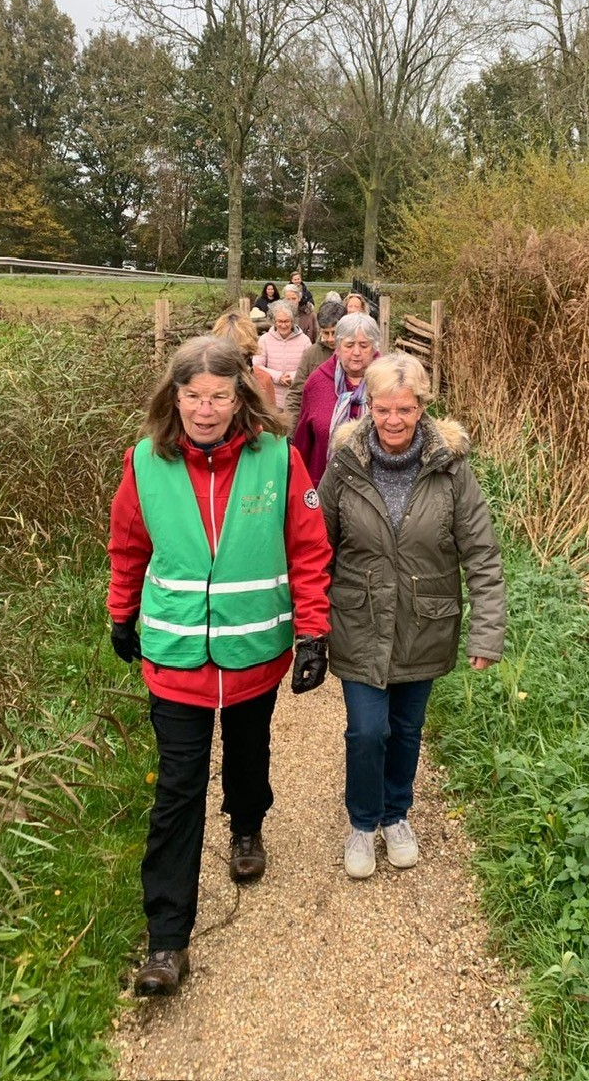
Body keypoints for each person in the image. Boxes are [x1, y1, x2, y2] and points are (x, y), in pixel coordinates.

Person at [107, 337, 330, 997]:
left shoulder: (278, 462)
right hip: (176, 658)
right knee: (176, 790)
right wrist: (122, 614)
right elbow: (128, 545)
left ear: (241, 400)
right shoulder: (145, 462)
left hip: (254, 651)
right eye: (193, 396)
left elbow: (308, 550)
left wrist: (314, 633)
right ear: (173, 399)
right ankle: (168, 942)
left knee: (248, 751)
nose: (206, 410)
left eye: (219, 397)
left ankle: (247, 824)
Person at [318, 353, 505, 880]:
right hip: (358, 619)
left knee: (405, 729)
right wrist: (308, 623)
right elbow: (316, 547)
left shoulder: (452, 469)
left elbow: (482, 552)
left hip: (426, 622)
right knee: (367, 730)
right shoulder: (345, 464)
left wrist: (487, 632)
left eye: (405, 408)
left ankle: (396, 815)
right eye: (382, 409)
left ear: (423, 407)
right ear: (367, 407)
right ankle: (362, 821)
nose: (393, 420)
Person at [292, 313, 379, 486]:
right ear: (337, 347)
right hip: (325, 484)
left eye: (364, 345)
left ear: (375, 348)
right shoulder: (317, 382)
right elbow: (304, 442)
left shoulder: (387, 381)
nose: (356, 352)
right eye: (349, 345)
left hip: (376, 487)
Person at [285, 298, 346, 427]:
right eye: (326, 333)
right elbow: (296, 395)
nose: (330, 339)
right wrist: (290, 431)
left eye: (334, 333)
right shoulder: (311, 355)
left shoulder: (356, 354)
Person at [211, 309, 275, 409]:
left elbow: (271, 421)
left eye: (241, 355)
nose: (235, 362)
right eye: (228, 355)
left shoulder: (263, 380)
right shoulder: (204, 380)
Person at [253, 300, 311, 410]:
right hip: (271, 399)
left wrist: (292, 377)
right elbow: (257, 366)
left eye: (287, 321)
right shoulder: (264, 340)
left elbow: (309, 369)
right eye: (280, 321)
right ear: (274, 321)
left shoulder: (305, 341)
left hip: (296, 400)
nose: (283, 325)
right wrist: (278, 377)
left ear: (293, 321)